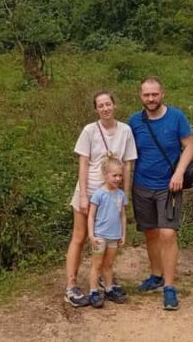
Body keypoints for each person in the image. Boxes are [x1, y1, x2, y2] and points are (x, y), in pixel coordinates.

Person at [129, 76, 193, 311]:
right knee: (150, 233)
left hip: (169, 186)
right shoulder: (134, 122)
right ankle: (156, 275)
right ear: (140, 96)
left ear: (162, 94)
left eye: (154, 94)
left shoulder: (176, 117)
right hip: (142, 185)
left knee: (168, 234)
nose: (151, 99)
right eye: (146, 95)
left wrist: (179, 173)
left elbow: (189, 145)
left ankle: (169, 287)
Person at [64, 91, 137, 308]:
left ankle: (106, 282)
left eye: (108, 104)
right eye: (100, 106)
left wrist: (125, 195)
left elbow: (127, 165)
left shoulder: (125, 130)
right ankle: (71, 286)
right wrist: (85, 195)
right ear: (96, 109)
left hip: (113, 193)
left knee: (109, 237)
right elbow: (83, 163)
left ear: (114, 105)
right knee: (80, 236)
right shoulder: (89, 130)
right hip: (91, 189)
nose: (105, 108)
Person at [87, 157, 128, 308]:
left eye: (120, 175)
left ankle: (109, 289)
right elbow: (91, 216)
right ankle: (93, 291)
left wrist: (123, 234)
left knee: (109, 264)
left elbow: (122, 215)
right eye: (114, 175)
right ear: (105, 175)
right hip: (100, 236)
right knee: (96, 264)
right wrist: (91, 235)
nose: (118, 179)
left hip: (114, 236)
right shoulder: (98, 194)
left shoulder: (121, 195)